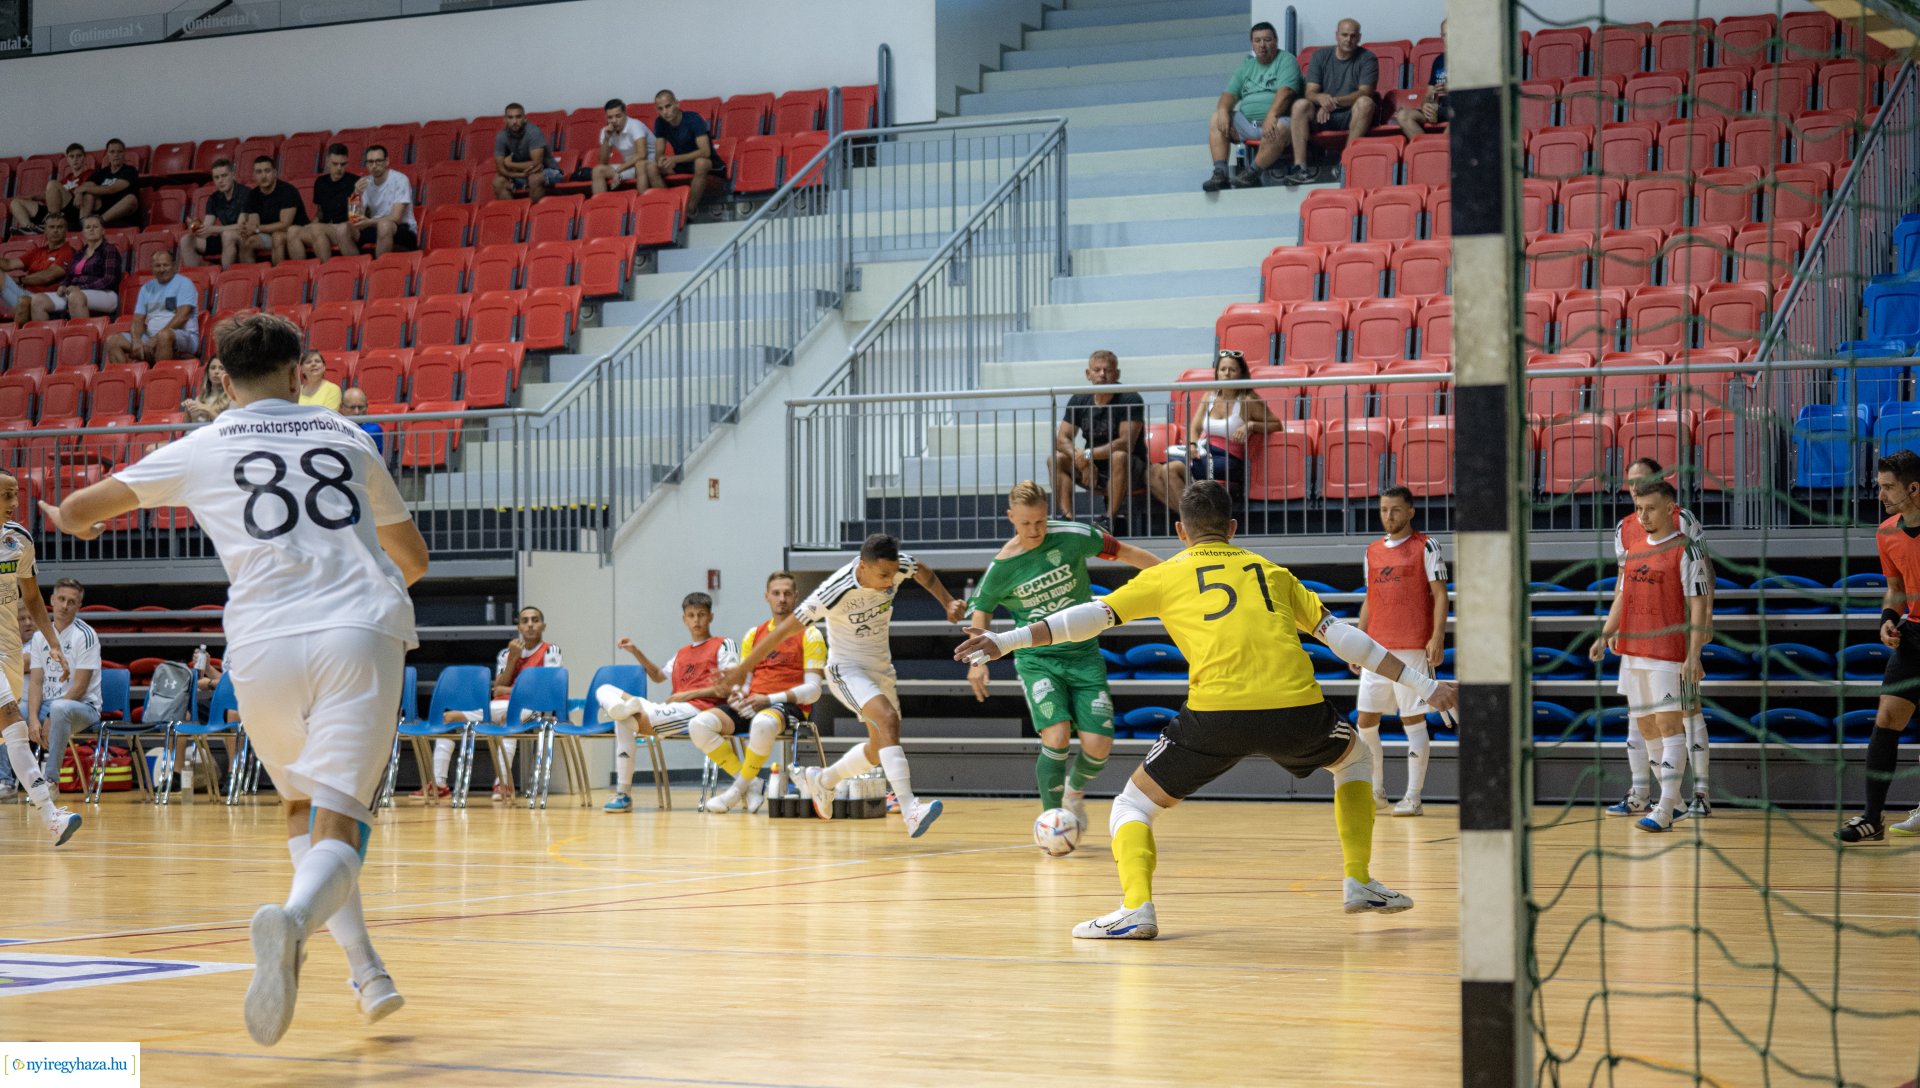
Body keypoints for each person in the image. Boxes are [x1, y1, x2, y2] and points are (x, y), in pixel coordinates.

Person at [40, 313, 429, 1042]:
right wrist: (370, 574)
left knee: (296, 809)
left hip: (261, 642)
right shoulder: (349, 436)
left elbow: (78, 511)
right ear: (298, 373)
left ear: (220, 378)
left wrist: (73, 519)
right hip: (357, 628)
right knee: (339, 823)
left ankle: (367, 971)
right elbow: (414, 558)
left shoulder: (201, 444)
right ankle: (292, 923)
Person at [955, 481, 1457, 938]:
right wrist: (1423, 684)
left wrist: (1006, 640)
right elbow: (1347, 639)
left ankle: (1137, 910)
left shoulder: (1169, 574)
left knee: (1133, 806)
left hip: (1215, 715)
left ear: (1180, 531)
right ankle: (1359, 880)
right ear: (1233, 529)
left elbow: (1085, 619)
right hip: (1296, 708)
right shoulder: (1272, 573)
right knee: (1353, 759)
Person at [717, 533, 965, 837]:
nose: (890, 582)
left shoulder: (898, 566)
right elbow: (782, 631)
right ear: (863, 566)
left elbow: (924, 572)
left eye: (892, 574)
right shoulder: (834, 590)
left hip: (880, 670)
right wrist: (743, 668)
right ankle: (910, 808)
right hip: (846, 670)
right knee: (887, 719)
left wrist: (948, 602)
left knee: (879, 747)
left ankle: (823, 781)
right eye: (883, 575)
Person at [966, 481, 1160, 829]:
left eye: (1040, 521)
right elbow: (981, 614)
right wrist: (977, 665)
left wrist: (1174, 579)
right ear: (1011, 518)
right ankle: (1051, 818)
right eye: (1025, 523)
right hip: (1038, 660)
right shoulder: (1002, 567)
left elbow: (1128, 553)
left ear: (1048, 514)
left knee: (1098, 747)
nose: (1034, 530)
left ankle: (1073, 792)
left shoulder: (1074, 535)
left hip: (1084, 655)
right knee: (1055, 735)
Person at [1590, 478, 1711, 833]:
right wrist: (1606, 634)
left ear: (1671, 509)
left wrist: (1694, 654)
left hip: (1668, 652)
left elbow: (1699, 606)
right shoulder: (1634, 549)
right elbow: (1620, 598)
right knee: (1646, 729)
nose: (1642, 515)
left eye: (1651, 508)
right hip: (1633, 650)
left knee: (1670, 727)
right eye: (1639, 508)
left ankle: (1663, 809)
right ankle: (1673, 802)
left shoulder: (1687, 551)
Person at [1619, 457, 1713, 817]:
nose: (1635, 489)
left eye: (1642, 482)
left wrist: (1704, 626)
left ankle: (1700, 794)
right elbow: (1622, 583)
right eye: (1631, 484)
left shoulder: (1682, 521)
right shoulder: (1624, 528)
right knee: (1643, 719)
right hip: (1639, 637)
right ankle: (1648, 795)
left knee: (1686, 712)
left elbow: (1704, 573)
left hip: (1677, 635)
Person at [592, 593, 744, 813]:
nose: (696, 620)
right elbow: (657, 675)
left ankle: (623, 793)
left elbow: (729, 685)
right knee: (605, 689)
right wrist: (635, 651)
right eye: (691, 615)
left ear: (710, 616)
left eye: (701, 615)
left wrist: (687, 694)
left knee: (625, 722)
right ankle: (623, 709)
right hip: (673, 708)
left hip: (701, 710)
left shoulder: (723, 644)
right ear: (684, 619)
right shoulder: (682, 653)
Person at [1350, 486, 1448, 817]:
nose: (1388, 516)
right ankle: (1376, 791)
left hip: (1412, 647)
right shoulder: (1371, 551)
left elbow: (1440, 594)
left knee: (1412, 720)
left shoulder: (1427, 545)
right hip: (1376, 649)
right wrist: (1357, 641)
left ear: (1410, 512)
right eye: (1383, 510)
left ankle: (1413, 797)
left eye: (1394, 510)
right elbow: (1369, 599)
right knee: (1365, 720)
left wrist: (1437, 636)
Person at [1841, 450, 1920, 841]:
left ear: (1914, 488)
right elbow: (1896, 590)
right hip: (1914, 636)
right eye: (1880, 486)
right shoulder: (1887, 532)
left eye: (1888, 487)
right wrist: (1887, 620)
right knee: (1887, 719)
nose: (1881, 494)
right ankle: (1872, 818)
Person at [703, 571, 829, 815]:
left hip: (786, 706)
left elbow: (813, 691)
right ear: (766, 597)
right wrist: (737, 693)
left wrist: (769, 699)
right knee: (701, 724)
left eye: (787, 593)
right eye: (776, 593)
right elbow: (745, 681)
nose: (781, 598)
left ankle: (735, 791)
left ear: (796, 597)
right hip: (755, 701)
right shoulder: (754, 634)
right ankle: (752, 782)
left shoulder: (810, 634)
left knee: (761, 723)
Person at [419, 605, 562, 803]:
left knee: (507, 719)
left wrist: (511, 691)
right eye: (525, 621)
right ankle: (439, 784)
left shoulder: (551, 651)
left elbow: (544, 688)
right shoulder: (507, 653)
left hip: (531, 707)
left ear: (543, 625)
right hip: (497, 705)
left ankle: (503, 784)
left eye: (535, 620)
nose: (530, 625)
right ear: (518, 627)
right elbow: (498, 688)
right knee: (447, 718)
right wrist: (513, 659)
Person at [0, 472, 74, 838]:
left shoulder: (18, 540)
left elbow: (31, 597)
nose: (14, 501)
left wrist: (54, 642)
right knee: (13, 720)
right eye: (6, 495)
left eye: (15, 494)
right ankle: (51, 816)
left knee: (5, 728)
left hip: (8, 648)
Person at [1146, 349, 1282, 506]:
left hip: (1228, 460)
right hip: (1204, 452)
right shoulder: (1209, 396)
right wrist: (1192, 445)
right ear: (1217, 373)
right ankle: (1192, 520)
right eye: (1223, 369)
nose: (1227, 374)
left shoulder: (1247, 400)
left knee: (1169, 470)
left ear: (1241, 374)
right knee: (1155, 473)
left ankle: (1191, 521)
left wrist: (1250, 425)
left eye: (1232, 369)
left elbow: (1276, 424)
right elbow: (1195, 428)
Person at [1051, 350, 1147, 534]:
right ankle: (1067, 518)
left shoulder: (1130, 398)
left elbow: (1125, 443)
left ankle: (1109, 520)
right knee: (1055, 459)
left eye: (1108, 370)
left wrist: (1087, 455)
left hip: (1130, 469)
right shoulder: (1079, 399)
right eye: (1097, 370)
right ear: (1088, 374)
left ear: (1117, 374)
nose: (1102, 374)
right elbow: (1062, 439)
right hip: (1091, 467)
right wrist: (1082, 460)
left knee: (1119, 456)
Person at [1204, 21, 1304, 191]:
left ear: (1276, 41)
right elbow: (1229, 94)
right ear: (1252, 44)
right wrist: (1223, 110)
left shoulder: (1286, 60)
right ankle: (1220, 173)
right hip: (1247, 123)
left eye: (1267, 40)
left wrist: (1272, 115)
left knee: (1279, 127)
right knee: (1216, 118)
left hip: (1279, 119)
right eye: (1257, 41)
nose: (1262, 45)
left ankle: (1251, 173)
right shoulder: (1247, 66)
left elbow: (1286, 92)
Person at [25, 578, 102, 798]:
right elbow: (37, 681)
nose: (65, 605)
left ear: (79, 606)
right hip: (50, 705)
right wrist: (32, 718)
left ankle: (50, 782)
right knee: (10, 713)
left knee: (59, 708)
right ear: (51, 600)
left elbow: (80, 687)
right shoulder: (41, 636)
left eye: (71, 601)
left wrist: (49, 715)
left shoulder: (86, 636)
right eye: (61, 599)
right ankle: (7, 782)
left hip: (83, 707)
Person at [1284, 19, 1379, 184]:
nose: (1348, 40)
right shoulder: (1320, 56)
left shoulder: (1368, 58)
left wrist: (1332, 102)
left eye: (1353, 36)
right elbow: (1310, 92)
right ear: (1336, 35)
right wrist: (1321, 98)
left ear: (1359, 37)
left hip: (1350, 114)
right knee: (1300, 105)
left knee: (1366, 103)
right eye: (1344, 35)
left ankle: (1345, 163)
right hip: (1321, 115)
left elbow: (1366, 92)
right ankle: (1300, 168)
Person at [108, 250, 200, 364]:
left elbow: (183, 315)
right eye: (157, 266)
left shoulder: (184, 283)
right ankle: (125, 379)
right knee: (112, 340)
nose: (162, 269)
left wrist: (156, 338)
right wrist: (136, 340)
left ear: (174, 266)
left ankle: (161, 378)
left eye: (165, 265)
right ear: (152, 268)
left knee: (164, 336)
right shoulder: (146, 288)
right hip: (151, 337)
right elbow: (137, 320)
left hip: (185, 337)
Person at [31, 214, 120, 321]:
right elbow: (69, 276)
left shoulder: (109, 250)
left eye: (95, 227)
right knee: (37, 300)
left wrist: (81, 288)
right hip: (76, 292)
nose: (91, 229)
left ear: (103, 231)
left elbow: (109, 280)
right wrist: (62, 286)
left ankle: (81, 336)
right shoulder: (79, 253)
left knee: (75, 297)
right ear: (83, 233)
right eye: (87, 227)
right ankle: (45, 337)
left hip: (106, 293)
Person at [653, 90, 725, 210]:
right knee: (650, 167)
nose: (665, 112)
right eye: (660, 109)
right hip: (683, 164)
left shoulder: (693, 119)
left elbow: (705, 152)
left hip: (710, 163)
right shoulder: (660, 122)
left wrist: (675, 159)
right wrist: (661, 160)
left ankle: (690, 210)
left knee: (701, 163)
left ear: (677, 104)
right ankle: (670, 207)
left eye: (668, 106)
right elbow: (659, 150)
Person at [289, 145, 360, 262]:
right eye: (335, 164)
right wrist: (311, 225)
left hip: (347, 227)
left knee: (317, 230)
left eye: (343, 164)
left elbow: (355, 217)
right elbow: (320, 212)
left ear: (347, 163)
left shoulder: (355, 182)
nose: (339, 168)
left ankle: (325, 268)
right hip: (326, 226)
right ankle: (304, 273)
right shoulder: (320, 182)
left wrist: (315, 226)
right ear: (327, 162)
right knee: (292, 231)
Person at [2, 217, 76, 324]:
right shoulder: (39, 251)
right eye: (51, 227)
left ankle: (15, 334)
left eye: (60, 227)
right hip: (24, 293)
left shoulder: (68, 252)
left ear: (66, 230)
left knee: (24, 301)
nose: (55, 230)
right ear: (45, 230)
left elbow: (48, 276)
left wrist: (19, 280)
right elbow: (9, 264)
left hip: (45, 297)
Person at [180, 158, 250, 269]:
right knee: (186, 240)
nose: (220, 180)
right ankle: (201, 276)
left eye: (224, 176)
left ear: (232, 175)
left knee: (227, 235)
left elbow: (242, 226)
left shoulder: (246, 194)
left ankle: (226, 278)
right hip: (223, 236)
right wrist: (195, 227)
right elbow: (207, 229)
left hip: (244, 236)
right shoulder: (214, 198)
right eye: (216, 177)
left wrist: (214, 229)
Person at [238, 156, 308, 266]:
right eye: (259, 172)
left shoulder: (288, 191)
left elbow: (285, 225)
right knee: (246, 242)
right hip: (268, 233)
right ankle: (251, 279)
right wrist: (248, 230)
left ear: (275, 172)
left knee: (277, 236)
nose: (263, 176)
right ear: (254, 175)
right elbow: (254, 224)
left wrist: (256, 228)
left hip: (294, 233)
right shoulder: (252, 195)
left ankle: (278, 277)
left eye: (267, 171)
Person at [350, 146, 417, 257]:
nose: (374, 166)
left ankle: (379, 270)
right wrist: (355, 193)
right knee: (344, 229)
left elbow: (396, 218)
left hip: (403, 229)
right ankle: (358, 268)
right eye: (370, 162)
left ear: (387, 162)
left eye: (378, 161)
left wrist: (369, 222)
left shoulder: (400, 179)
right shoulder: (365, 182)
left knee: (384, 225)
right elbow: (353, 217)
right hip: (375, 227)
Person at [8, 143, 88, 234]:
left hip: (73, 211)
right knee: (15, 202)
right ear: (68, 160)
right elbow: (48, 193)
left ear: (84, 158)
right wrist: (31, 197)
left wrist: (80, 192)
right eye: (72, 156)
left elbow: (91, 188)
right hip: (54, 211)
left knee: (52, 183)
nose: (75, 159)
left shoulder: (91, 173)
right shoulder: (65, 179)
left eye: (79, 156)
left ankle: (52, 224)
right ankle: (30, 229)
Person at [589, 99, 660, 196]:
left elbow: (641, 154)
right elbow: (602, 162)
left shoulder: (634, 125)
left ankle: (642, 204)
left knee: (640, 165)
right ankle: (601, 207)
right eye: (610, 117)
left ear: (625, 113)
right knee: (597, 170)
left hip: (650, 163)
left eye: (618, 116)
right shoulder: (606, 131)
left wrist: (618, 171)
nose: (614, 121)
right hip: (630, 166)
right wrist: (606, 139)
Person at [494, 103, 562, 202]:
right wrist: (520, 175)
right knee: (498, 182)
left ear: (525, 118)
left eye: (518, 117)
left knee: (534, 179)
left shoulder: (533, 132)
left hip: (548, 171)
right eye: (510, 117)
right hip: (522, 174)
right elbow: (500, 169)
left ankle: (535, 215)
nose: (514, 121)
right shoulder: (501, 136)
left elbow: (536, 164)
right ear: (505, 120)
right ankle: (513, 214)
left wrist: (509, 164)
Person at [1395, 21, 1450, 139]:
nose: (1449, 38)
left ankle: (1437, 153)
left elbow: (1477, 93)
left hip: (1461, 109)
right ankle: (1428, 148)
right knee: (1403, 116)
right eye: (1445, 35)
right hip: (1441, 109)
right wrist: (1427, 104)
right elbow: (1430, 93)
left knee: (1456, 124)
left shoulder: (1470, 58)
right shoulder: (1439, 61)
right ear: (1441, 37)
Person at [75, 138, 140, 227]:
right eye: (112, 152)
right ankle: (83, 223)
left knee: (131, 198)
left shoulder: (130, 171)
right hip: (102, 207)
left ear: (124, 154)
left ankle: (98, 222)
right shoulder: (102, 172)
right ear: (107, 154)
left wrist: (83, 189)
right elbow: (86, 185)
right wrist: (79, 193)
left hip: (121, 211)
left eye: (119, 152)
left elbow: (111, 189)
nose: (116, 155)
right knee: (88, 192)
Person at [183, 357, 233, 423]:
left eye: (221, 368)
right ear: (208, 373)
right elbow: (185, 427)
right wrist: (187, 410)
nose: (216, 372)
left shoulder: (231, 398)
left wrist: (208, 409)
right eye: (213, 368)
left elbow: (228, 425)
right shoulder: (200, 397)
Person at [340, 388, 385, 453]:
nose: (357, 412)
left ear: (367, 407)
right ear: (341, 407)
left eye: (361, 407)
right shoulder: (334, 426)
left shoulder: (374, 430)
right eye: (352, 407)